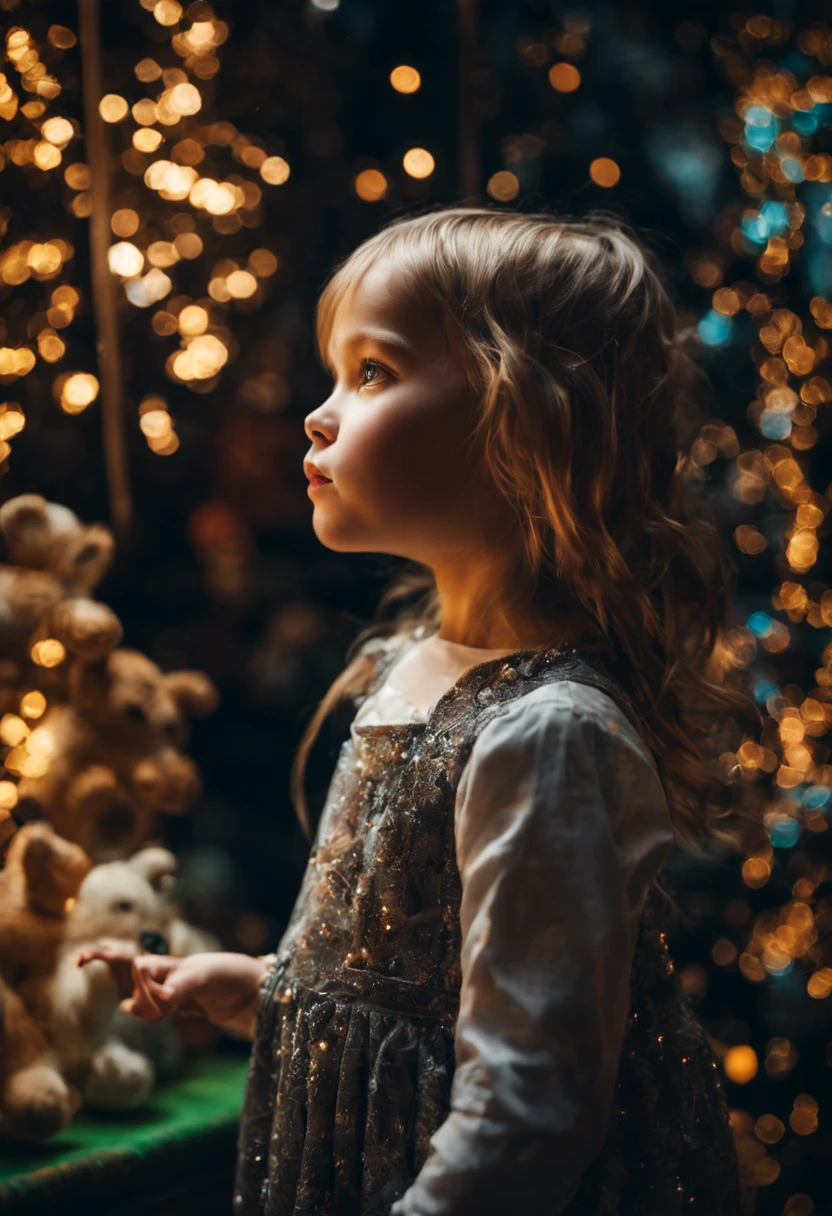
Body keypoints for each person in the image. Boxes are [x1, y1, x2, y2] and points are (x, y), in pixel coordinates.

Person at [82, 206, 762, 1214]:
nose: (317, 415)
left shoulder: (550, 732)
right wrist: (264, 991)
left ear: (521, 418)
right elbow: (409, 988)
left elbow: (525, 1108)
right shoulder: (406, 667)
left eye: (371, 373)